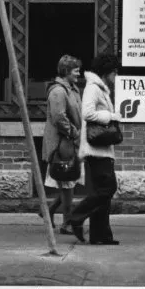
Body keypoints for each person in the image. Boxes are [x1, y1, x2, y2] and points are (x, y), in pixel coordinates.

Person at [67, 53, 123, 245]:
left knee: (103, 193)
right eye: (115, 72)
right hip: (95, 149)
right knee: (108, 188)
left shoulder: (100, 88)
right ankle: (76, 216)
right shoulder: (93, 88)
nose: (116, 76)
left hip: (101, 149)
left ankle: (101, 235)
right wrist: (112, 116)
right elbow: (87, 113)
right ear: (107, 71)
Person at [41, 54, 84, 233]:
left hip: (71, 143)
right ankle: (67, 223)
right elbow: (59, 118)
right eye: (75, 70)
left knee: (69, 181)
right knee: (67, 183)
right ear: (66, 71)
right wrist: (75, 133)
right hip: (62, 144)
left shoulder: (72, 89)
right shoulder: (58, 91)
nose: (78, 74)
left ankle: (48, 211)